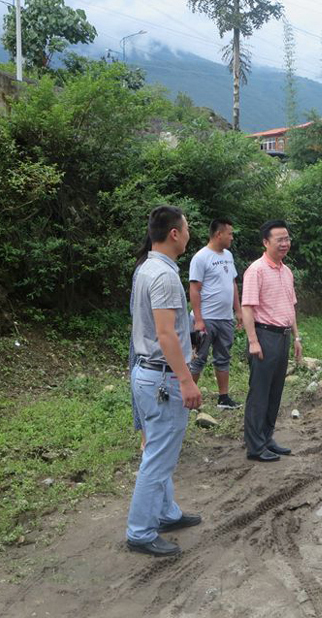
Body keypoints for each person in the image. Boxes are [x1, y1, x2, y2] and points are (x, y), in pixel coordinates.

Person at [126, 205, 204, 557]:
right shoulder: (165, 276)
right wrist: (187, 381)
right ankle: (141, 532)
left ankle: (166, 513)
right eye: (186, 229)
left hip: (146, 372)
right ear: (174, 233)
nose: (189, 234)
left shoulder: (147, 267)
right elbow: (166, 334)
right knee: (157, 458)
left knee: (159, 451)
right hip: (163, 378)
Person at [241, 220, 302, 462]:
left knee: (275, 392)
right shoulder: (256, 270)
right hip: (264, 336)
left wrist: (296, 336)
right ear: (266, 242)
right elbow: (247, 308)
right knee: (260, 393)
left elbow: (291, 307)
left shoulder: (286, 271)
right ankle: (255, 446)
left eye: (287, 239)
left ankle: (267, 438)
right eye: (280, 239)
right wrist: (253, 341)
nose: (285, 243)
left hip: (284, 336)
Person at [189, 218, 243, 410]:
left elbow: (233, 284)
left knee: (223, 357)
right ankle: (188, 400)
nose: (232, 237)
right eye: (230, 233)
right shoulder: (201, 257)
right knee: (198, 358)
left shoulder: (228, 255)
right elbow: (194, 289)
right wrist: (198, 320)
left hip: (225, 318)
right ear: (219, 234)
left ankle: (223, 398)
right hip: (206, 319)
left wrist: (238, 310)